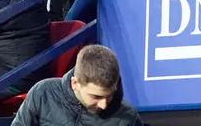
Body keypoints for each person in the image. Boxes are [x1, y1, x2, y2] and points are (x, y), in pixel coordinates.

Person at [12, 44, 143, 125]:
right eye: (96, 97)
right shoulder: (43, 93)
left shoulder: (128, 118)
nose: (103, 105)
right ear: (75, 83)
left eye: (109, 95)